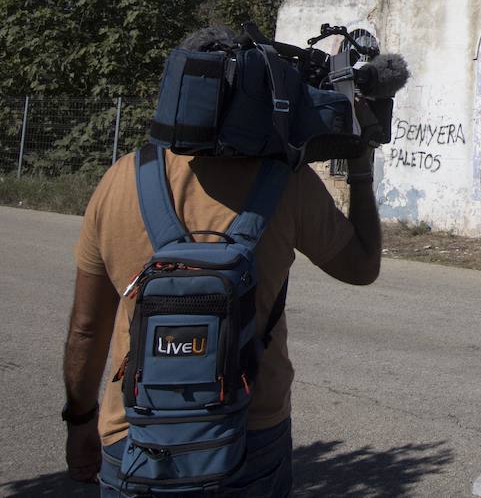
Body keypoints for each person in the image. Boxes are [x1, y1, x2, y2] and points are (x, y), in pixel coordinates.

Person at [62, 28, 383, 496]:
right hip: (251, 432)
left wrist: (79, 422)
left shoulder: (118, 182)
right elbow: (362, 267)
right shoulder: (287, 183)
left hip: (133, 433)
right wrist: (361, 170)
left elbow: (86, 329)